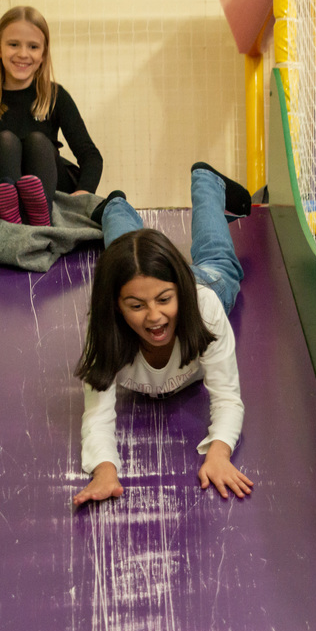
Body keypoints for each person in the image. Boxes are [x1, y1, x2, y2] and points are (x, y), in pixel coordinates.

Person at [73, 163, 253, 506]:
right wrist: (103, 469)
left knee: (218, 260)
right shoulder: (106, 327)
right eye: (136, 306)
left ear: (179, 291)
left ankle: (206, 181)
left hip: (204, 284)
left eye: (164, 300)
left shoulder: (203, 306)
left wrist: (219, 453)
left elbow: (227, 397)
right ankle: (114, 207)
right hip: (151, 284)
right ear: (116, 306)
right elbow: (97, 413)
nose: (154, 317)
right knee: (126, 254)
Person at [0, 6, 103, 228]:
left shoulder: (55, 96)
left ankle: (40, 215)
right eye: (13, 44)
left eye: (33, 47)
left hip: (48, 182)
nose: (23, 54)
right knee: (6, 141)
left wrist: (83, 192)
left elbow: (91, 156)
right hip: (4, 183)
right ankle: (13, 219)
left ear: (43, 54)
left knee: (36, 142)